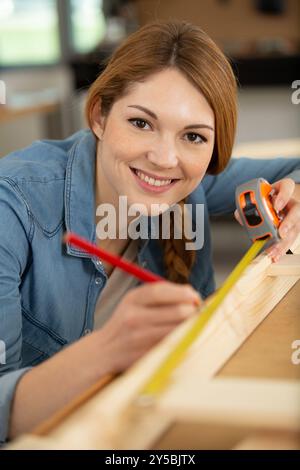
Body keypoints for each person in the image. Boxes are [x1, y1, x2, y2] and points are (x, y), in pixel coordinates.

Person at [0, 21, 299, 444]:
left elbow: (294, 170)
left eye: (194, 136)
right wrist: (106, 352)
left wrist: (294, 197)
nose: (163, 158)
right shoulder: (11, 207)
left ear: (213, 149)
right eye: (141, 123)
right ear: (100, 115)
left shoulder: (193, 179)